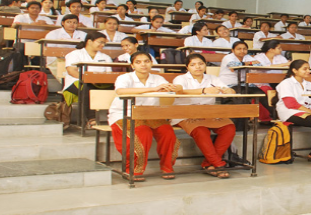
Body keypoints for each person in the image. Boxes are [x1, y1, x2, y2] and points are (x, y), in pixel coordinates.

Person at [107, 51, 181, 181]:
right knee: (143, 133)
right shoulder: (125, 77)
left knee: (167, 133)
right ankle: (134, 170)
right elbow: (121, 91)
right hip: (125, 114)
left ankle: (167, 167)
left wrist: (172, 88)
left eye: (147, 61)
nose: (143, 65)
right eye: (138, 62)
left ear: (151, 63)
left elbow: (172, 89)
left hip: (150, 115)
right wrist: (154, 89)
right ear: (132, 65)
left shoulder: (157, 78)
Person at [172, 54, 236, 178]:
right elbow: (178, 91)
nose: (198, 67)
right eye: (193, 64)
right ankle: (218, 164)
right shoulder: (181, 79)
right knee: (201, 130)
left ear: (205, 65)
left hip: (208, 112)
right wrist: (203, 91)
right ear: (187, 67)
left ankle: (208, 164)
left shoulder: (212, 78)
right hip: (185, 113)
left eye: (201, 63)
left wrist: (229, 91)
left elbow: (228, 90)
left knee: (229, 128)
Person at [219, 41, 273, 123]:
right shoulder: (228, 57)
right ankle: (244, 121)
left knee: (261, 94)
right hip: (230, 84)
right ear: (233, 50)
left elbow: (259, 65)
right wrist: (250, 63)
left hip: (245, 84)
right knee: (241, 97)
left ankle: (273, 117)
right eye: (239, 49)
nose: (242, 51)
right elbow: (234, 66)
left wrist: (248, 63)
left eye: (244, 49)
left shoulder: (247, 57)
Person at [63, 32, 113, 105]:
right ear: (89, 41)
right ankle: (89, 116)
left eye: (104, 43)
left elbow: (109, 74)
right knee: (88, 89)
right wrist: (89, 79)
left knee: (113, 88)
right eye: (100, 42)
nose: (102, 45)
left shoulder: (106, 57)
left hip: (99, 82)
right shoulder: (75, 54)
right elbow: (71, 71)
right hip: (78, 81)